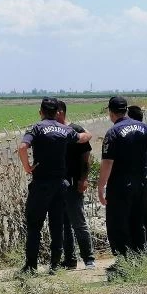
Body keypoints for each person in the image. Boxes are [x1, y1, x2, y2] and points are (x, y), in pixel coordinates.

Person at [19, 97, 92, 274]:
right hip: (60, 184)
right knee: (57, 225)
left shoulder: (36, 128)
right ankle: (55, 265)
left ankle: (31, 266)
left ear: (41, 112)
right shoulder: (65, 129)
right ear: (57, 112)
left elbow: (22, 147)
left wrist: (28, 167)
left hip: (41, 183)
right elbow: (83, 138)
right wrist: (86, 132)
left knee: (34, 225)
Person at [97, 96, 147, 271]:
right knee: (139, 222)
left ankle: (124, 263)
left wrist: (101, 186)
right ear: (126, 110)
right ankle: (141, 261)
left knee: (118, 223)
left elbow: (107, 163)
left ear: (111, 112)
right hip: (141, 184)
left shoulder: (113, 132)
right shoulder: (143, 127)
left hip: (120, 186)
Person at [56, 100, 96, 270]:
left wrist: (83, 179)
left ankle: (89, 259)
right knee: (64, 224)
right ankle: (70, 260)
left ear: (60, 112)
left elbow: (86, 159)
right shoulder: (53, 131)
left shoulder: (77, 130)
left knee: (78, 222)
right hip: (58, 183)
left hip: (73, 182)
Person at [127, 105, 147, 252]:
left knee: (138, 219)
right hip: (143, 181)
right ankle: (142, 251)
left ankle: (141, 253)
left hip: (139, 182)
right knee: (141, 218)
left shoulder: (140, 134)